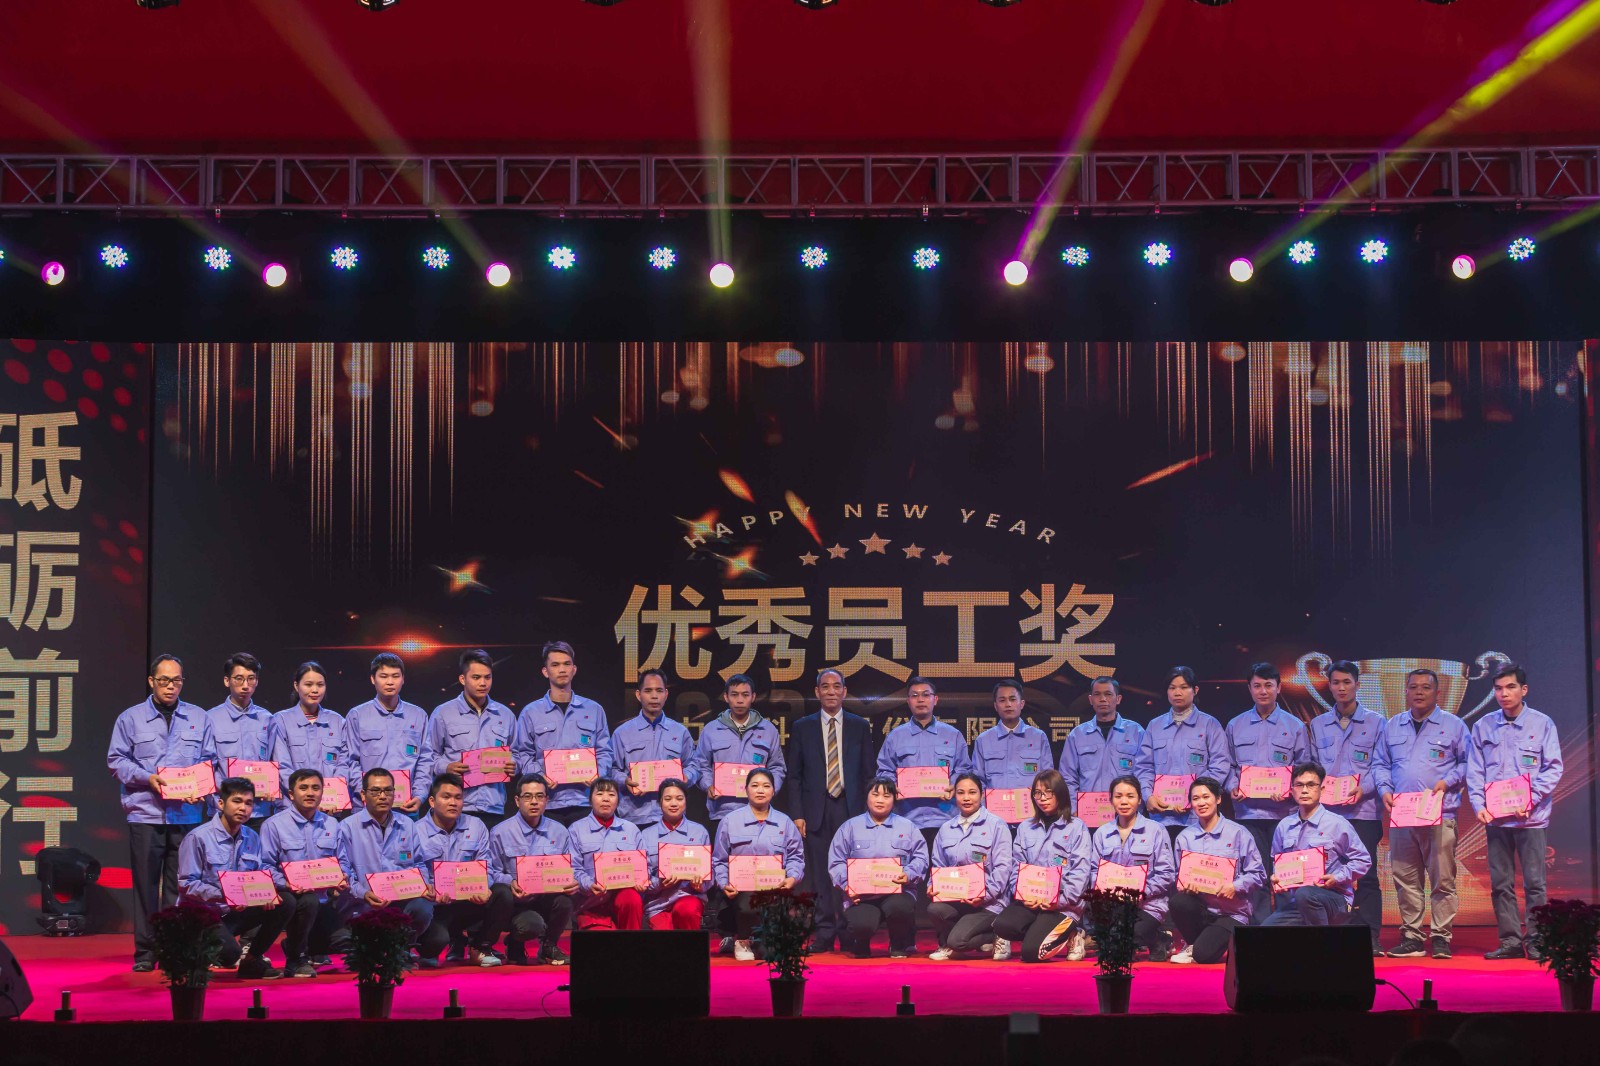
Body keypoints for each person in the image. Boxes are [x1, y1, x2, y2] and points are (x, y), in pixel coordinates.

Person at [106, 653, 214, 971]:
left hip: (186, 815)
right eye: (164, 680)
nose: (170, 686)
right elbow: (116, 760)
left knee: (180, 886)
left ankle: (172, 950)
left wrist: (203, 788)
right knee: (145, 885)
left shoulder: (198, 717)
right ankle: (145, 952)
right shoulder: (130, 718)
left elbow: (209, 761)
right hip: (145, 813)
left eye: (176, 680)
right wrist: (146, 778)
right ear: (151, 681)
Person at [1467, 663, 1563, 961]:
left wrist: (1530, 799)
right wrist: (1478, 806)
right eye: (1498, 688)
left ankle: (1537, 942)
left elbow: (1553, 767)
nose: (1504, 694)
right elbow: (1475, 771)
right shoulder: (1483, 726)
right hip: (1496, 820)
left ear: (1524, 689)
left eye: (1510, 687)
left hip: (1531, 820)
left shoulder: (1542, 724)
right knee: (1501, 885)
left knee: (1535, 884)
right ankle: (1510, 941)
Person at [1378, 668, 1469, 959]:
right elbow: (1380, 764)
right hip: (1402, 815)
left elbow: (1468, 763)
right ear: (1405, 691)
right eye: (1413, 687)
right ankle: (1412, 937)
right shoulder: (1393, 725)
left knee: (1443, 880)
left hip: (1439, 813)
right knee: (1406, 879)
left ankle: (1441, 937)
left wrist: (1447, 782)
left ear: (1437, 693)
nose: (1419, 692)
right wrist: (1384, 790)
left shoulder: (1454, 726)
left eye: (1426, 687)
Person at [783, 667, 874, 952]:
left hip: (851, 808)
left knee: (850, 871)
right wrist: (797, 814)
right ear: (817, 692)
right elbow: (794, 776)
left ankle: (848, 930)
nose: (831, 691)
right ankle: (823, 931)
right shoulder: (803, 727)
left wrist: (868, 814)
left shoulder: (859, 726)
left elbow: (868, 773)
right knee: (821, 874)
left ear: (845, 692)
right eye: (825, 686)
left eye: (837, 686)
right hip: (816, 810)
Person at [1306, 659, 1389, 953]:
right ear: (1329, 686)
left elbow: (1382, 765)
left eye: (1347, 682)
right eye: (1336, 683)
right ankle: (1330, 933)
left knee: (1365, 874)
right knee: (1323, 873)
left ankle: (1370, 936)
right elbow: (1312, 766)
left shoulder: (1377, 723)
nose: (1341, 688)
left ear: (1357, 684)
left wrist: (1364, 788)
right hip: (1327, 815)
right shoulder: (1317, 724)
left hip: (1363, 811)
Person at [176, 776, 292, 979]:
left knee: (286, 902)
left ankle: (252, 960)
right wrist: (225, 896)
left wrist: (266, 894)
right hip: (204, 913)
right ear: (221, 804)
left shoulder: (252, 837)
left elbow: (257, 875)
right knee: (230, 954)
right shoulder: (198, 837)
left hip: (234, 912)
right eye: (237, 801)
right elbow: (187, 884)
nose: (243, 808)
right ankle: (192, 949)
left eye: (248, 803)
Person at [1224, 662, 1311, 923]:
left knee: (1285, 874)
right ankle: (1260, 928)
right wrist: (1232, 786)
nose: (1263, 691)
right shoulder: (1235, 725)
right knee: (1256, 873)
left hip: (1284, 814)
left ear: (1279, 688)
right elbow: (1227, 765)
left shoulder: (1295, 726)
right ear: (1249, 689)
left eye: (1268, 685)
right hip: (1248, 813)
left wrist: (1289, 790)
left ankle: (1285, 926)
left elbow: (1304, 766)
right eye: (1257, 686)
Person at [258, 767, 352, 977]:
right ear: (291, 794)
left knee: (343, 943)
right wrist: (287, 884)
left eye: (315, 788)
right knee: (307, 901)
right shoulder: (273, 825)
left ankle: (296, 944)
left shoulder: (332, 824)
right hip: (291, 898)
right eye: (304, 788)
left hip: (325, 899)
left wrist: (342, 876)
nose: (310, 793)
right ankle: (296, 959)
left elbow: (343, 861)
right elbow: (264, 867)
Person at [990, 769, 1091, 963]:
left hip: (1063, 906)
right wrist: (1022, 894)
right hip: (1032, 902)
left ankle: (1074, 933)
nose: (1042, 798)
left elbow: (1080, 873)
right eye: (1038, 793)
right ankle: (1040, 930)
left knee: (1030, 953)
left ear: (1060, 794)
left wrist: (1059, 901)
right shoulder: (1025, 828)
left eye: (1048, 793)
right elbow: (1016, 868)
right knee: (1001, 926)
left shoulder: (1077, 827)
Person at [335, 767, 435, 962]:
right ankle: (376, 949)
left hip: (401, 900)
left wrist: (423, 885)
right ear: (363, 794)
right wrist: (363, 893)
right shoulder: (346, 827)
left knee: (423, 908)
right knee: (342, 941)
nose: (383, 796)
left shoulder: (407, 824)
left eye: (388, 790)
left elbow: (419, 863)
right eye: (375, 791)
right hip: (364, 902)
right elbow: (344, 871)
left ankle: (400, 949)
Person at [512, 641, 612, 825]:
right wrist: (540, 777)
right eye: (555, 665)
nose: (562, 669)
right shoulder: (531, 712)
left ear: (574, 669)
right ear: (545, 671)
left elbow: (605, 751)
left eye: (567, 664)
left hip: (585, 801)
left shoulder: (594, 709)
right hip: (547, 803)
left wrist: (597, 774)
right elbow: (523, 754)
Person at [828, 777, 929, 958]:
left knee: (900, 908)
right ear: (867, 797)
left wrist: (908, 874)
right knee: (861, 924)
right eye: (875, 795)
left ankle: (898, 942)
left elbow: (921, 858)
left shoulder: (908, 827)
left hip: (898, 892)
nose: (880, 800)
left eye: (886, 795)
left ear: (894, 799)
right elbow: (836, 862)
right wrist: (846, 885)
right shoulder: (850, 827)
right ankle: (861, 941)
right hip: (862, 896)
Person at [483, 774, 577, 966]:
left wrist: (572, 881)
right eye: (527, 796)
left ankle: (549, 946)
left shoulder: (560, 832)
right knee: (531, 925)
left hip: (546, 897)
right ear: (517, 800)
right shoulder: (500, 832)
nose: (534, 801)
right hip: (516, 902)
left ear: (547, 800)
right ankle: (515, 943)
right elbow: (490, 872)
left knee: (565, 901)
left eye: (539, 796)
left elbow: (571, 868)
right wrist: (510, 882)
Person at [1263, 761, 1372, 927]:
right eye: (1299, 785)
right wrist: (1276, 878)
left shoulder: (1337, 824)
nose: (1304, 790)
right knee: (1263, 933)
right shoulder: (1284, 826)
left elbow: (1363, 860)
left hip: (1335, 898)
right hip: (1298, 902)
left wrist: (1337, 877)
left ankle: (1323, 942)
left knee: (1306, 894)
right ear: (1292, 790)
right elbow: (1277, 863)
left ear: (1322, 790)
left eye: (1311, 785)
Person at [416, 650, 516, 829]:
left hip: (493, 806)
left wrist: (514, 764)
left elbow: (517, 754)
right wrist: (446, 767)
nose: (483, 683)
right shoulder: (443, 713)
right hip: (456, 806)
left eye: (487, 677)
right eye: (476, 677)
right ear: (462, 679)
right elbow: (429, 756)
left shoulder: (505, 715)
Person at [711, 767, 804, 960]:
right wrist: (724, 883)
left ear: (774, 791)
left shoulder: (785, 823)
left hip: (774, 890)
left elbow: (796, 857)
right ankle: (742, 940)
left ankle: (763, 940)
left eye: (766, 786)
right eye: (755, 785)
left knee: (768, 954)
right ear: (746, 789)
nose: (760, 790)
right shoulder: (730, 821)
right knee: (748, 904)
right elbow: (719, 859)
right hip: (741, 892)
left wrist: (792, 878)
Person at [1169, 776, 1265, 964]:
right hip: (1201, 910)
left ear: (1218, 799)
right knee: (1178, 902)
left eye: (1206, 797)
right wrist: (1186, 887)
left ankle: (1203, 946)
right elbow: (1178, 876)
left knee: (1203, 956)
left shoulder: (1239, 833)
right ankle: (1196, 943)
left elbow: (1259, 874)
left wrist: (1235, 886)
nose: (1201, 803)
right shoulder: (1184, 838)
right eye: (1196, 798)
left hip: (1231, 912)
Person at [1134, 666, 1231, 843]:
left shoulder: (1210, 724)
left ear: (1195, 690)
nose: (1177, 692)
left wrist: (1198, 797)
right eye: (1172, 688)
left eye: (1184, 687)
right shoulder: (1154, 726)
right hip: (1161, 817)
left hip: (1198, 817)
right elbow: (1143, 767)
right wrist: (1148, 797)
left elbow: (1220, 765)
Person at [876, 676, 973, 850]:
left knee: (945, 867)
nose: (920, 699)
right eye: (915, 695)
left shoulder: (953, 734)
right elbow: (884, 770)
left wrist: (953, 784)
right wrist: (893, 786)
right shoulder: (895, 736)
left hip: (946, 819)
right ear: (908, 701)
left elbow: (964, 768)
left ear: (935, 699)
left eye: (926, 695)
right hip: (906, 818)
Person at [927, 772, 1015, 960]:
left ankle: (997, 934)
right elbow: (938, 865)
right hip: (958, 899)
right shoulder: (946, 829)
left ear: (982, 795)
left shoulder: (997, 825)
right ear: (955, 796)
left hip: (989, 903)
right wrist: (932, 885)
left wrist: (984, 895)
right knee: (935, 909)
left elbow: (1003, 868)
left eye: (972, 792)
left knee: (958, 942)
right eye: (961, 793)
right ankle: (946, 943)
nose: (966, 798)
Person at [413, 773, 498, 966]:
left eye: (458, 797)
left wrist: (485, 886)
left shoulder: (476, 826)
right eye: (446, 797)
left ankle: (480, 947)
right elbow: (414, 871)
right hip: (436, 906)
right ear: (432, 801)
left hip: (468, 901)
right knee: (435, 941)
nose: (453, 802)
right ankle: (447, 942)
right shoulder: (415, 831)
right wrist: (430, 890)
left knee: (501, 893)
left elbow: (487, 866)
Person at [1091, 775, 1178, 959]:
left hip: (1148, 904)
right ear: (1111, 799)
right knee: (1118, 952)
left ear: (1139, 800)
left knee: (1125, 942)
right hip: (1114, 904)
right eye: (1118, 796)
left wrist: (1140, 893)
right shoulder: (1102, 833)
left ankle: (1156, 937)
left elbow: (1167, 874)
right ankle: (1148, 940)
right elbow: (1093, 872)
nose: (1124, 801)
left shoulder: (1156, 830)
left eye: (1130, 796)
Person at [695, 672, 787, 827]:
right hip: (722, 811)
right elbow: (700, 764)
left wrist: (770, 789)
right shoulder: (711, 729)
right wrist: (708, 785)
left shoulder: (768, 730)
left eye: (745, 695)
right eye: (734, 695)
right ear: (726, 697)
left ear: (753, 697)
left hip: (758, 811)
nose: (739, 700)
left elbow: (777, 767)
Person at [342, 654, 428, 815]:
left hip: (406, 807)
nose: (390, 682)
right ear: (372, 679)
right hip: (366, 808)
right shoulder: (357, 715)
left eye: (395, 676)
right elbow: (349, 761)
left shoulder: (418, 715)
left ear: (403, 679)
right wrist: (365, 792)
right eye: (383, 676)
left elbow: (425, 760)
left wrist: (420, 795)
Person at [610, 669, 697, 827]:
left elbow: (693, 764)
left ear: (666, 694)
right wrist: (625, 781)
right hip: (634, 816)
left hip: (671, 816)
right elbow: (612, 769)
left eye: (659, 690)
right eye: (648, 691)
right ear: (638, 695)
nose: (654, 696)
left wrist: (686, 777)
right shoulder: (622, 733)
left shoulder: (680, 732)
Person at [1058, 676, 1144, 823]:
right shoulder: (1077, 735)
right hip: (1087, 815)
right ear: (1090, 699)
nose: (1103, 699)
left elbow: (1143, 773)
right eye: (1097, 694)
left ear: (1118, 699)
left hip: (1126, 814)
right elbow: (1067, 777)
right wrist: (1074, 808)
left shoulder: (1136, 732)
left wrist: (1137, 807)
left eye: (1108, 694)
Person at [267, 662, 349, 814]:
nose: (315, 690)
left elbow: (343, 765)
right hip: (291, 809)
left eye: (320, 685)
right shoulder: (280, 720)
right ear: (296, 686)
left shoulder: (338, 721)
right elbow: (282, 766)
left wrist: (329, 798)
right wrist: (306, 799)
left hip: (329, 808)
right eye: (308, 684)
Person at [566, 778, 648, 930]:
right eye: (600, 794)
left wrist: (641, 880)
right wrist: (588, 884)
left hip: (623, 898)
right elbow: (573, 868)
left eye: (611, 794)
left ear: (618, 800)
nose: (605, 799)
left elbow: (644, 866)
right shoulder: (576, 830)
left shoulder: (631, 829)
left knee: (632, 898)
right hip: (591, 903)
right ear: (590, 799)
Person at [205, 653, 276, 827]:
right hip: (223, 810)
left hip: (259, 810)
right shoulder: (210, 718)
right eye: (239, 678)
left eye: (251, 679)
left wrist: (272, 790)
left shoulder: (267, 719)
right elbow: (207, 766)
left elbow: (274, 761)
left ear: (257, 681)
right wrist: (216, 801)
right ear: (227, 681)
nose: (245, 685)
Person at [972, 680, 1054, 826]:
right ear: (995, 706)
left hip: (1031, 820)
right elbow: (978, 782)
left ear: (1022, 704)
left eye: (1012, 699)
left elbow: (1048, 780)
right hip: (993, 821)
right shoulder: (983, 740)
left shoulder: (1038, 737)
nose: (1008, 704)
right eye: (1002, 700)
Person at [640, 778, 713, 930]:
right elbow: (642, 879)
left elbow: (710, 874)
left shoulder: (699, 832)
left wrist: (700, 885)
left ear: (686, 801)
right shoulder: (646, 835)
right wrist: (659, 884)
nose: (674, 803)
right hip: (657, 904)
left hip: (689, 896)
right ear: (660, 802)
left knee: (687, 910)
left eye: (679, 799)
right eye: (668, 799)